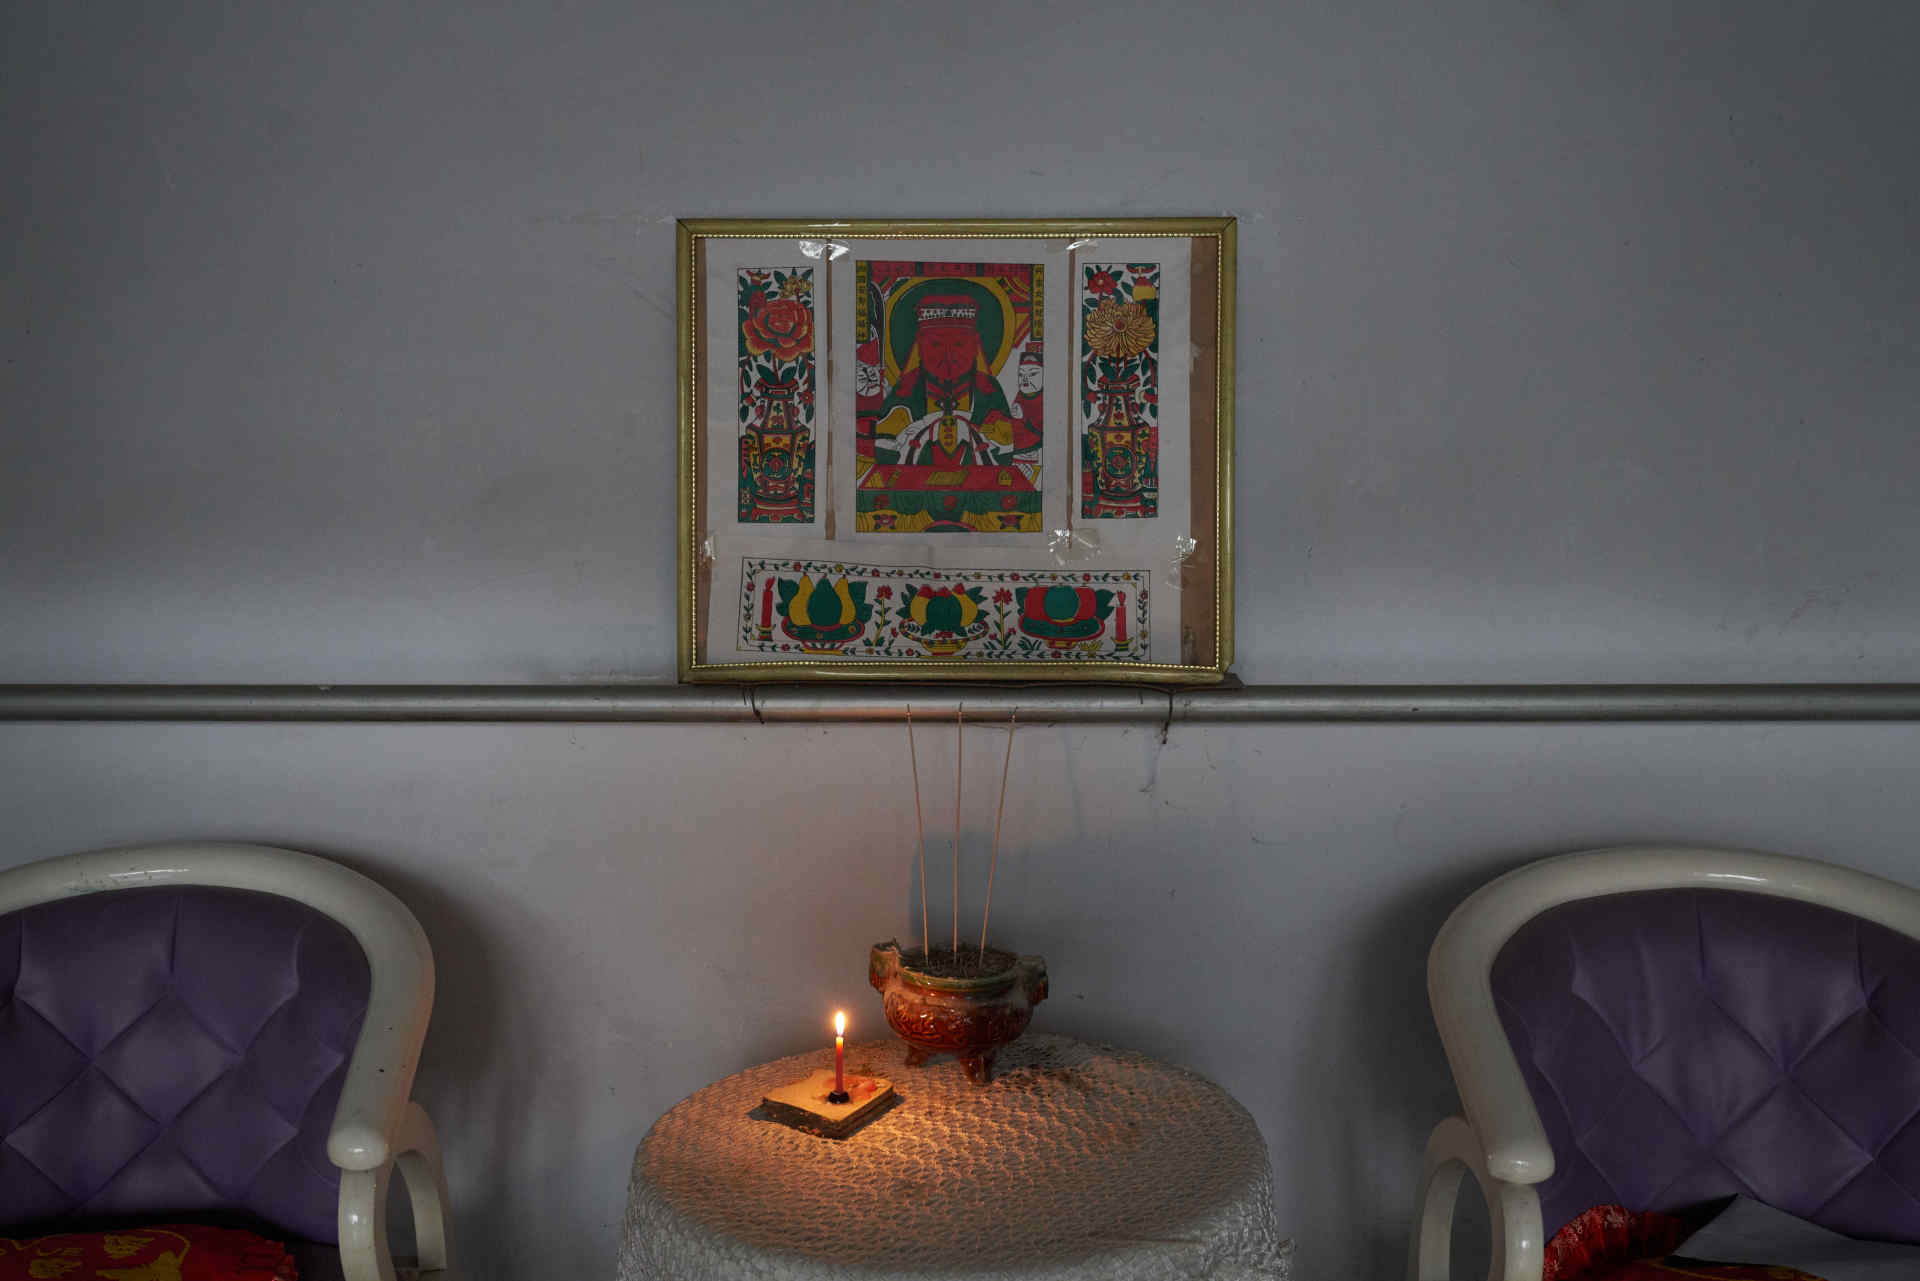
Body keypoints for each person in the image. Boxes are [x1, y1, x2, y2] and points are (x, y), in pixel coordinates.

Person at [874, 295, 1018, 468]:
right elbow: (884, 454)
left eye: (959, 345)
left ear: (975, 347)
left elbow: (1006, 454)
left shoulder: (988, 389)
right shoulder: (905, 389)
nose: (948, 355)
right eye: (936, 345)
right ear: (920, 347)